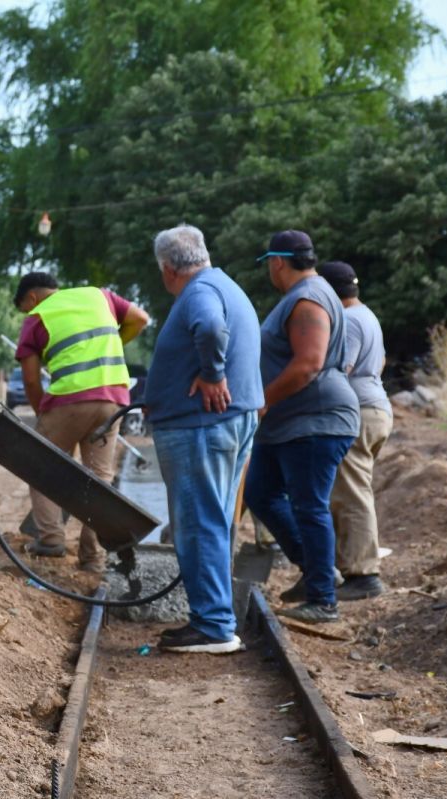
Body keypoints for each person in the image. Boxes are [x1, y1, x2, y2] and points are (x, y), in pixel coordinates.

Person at [144, 224, 263, 654]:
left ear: (168, 269)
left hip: (201, 427)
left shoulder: (199, 293)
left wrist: (213, 374)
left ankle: (213, 625)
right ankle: (216, 617)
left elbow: (211, 329)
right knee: (214, 520)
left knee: (198, 523)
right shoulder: (223, 284)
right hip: (225, 422)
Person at [243, 231, 359, 623]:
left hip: (315, 420)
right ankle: (315, 570)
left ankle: (323, 599)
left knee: (309, 506)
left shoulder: (308, 298)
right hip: (289, 424)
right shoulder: (305, 295)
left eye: (269, 265)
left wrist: (263, 401)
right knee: (261, 493)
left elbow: (309, 363)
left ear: (277, 262)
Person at [13, 272, 150, 570]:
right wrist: (113, 343)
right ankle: (92, 557)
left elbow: (31, 381)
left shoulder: (36, 317)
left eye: (25, 307)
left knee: (39, 464)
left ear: (32, 298)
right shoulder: (100, 295)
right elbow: (140, 319)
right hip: (113, 399)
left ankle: (51, 539)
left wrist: (43, 416)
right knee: (99, 478)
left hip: (69, 399)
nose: (27, 312)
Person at [319, 260, 392, 600]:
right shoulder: (367, 315)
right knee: (351, 490)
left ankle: (364, 575)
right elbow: (381, 361)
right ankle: (348, 566)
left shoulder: (347, 321)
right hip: (376, 407)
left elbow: (340, 369)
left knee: (350, 494)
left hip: (359, 412)